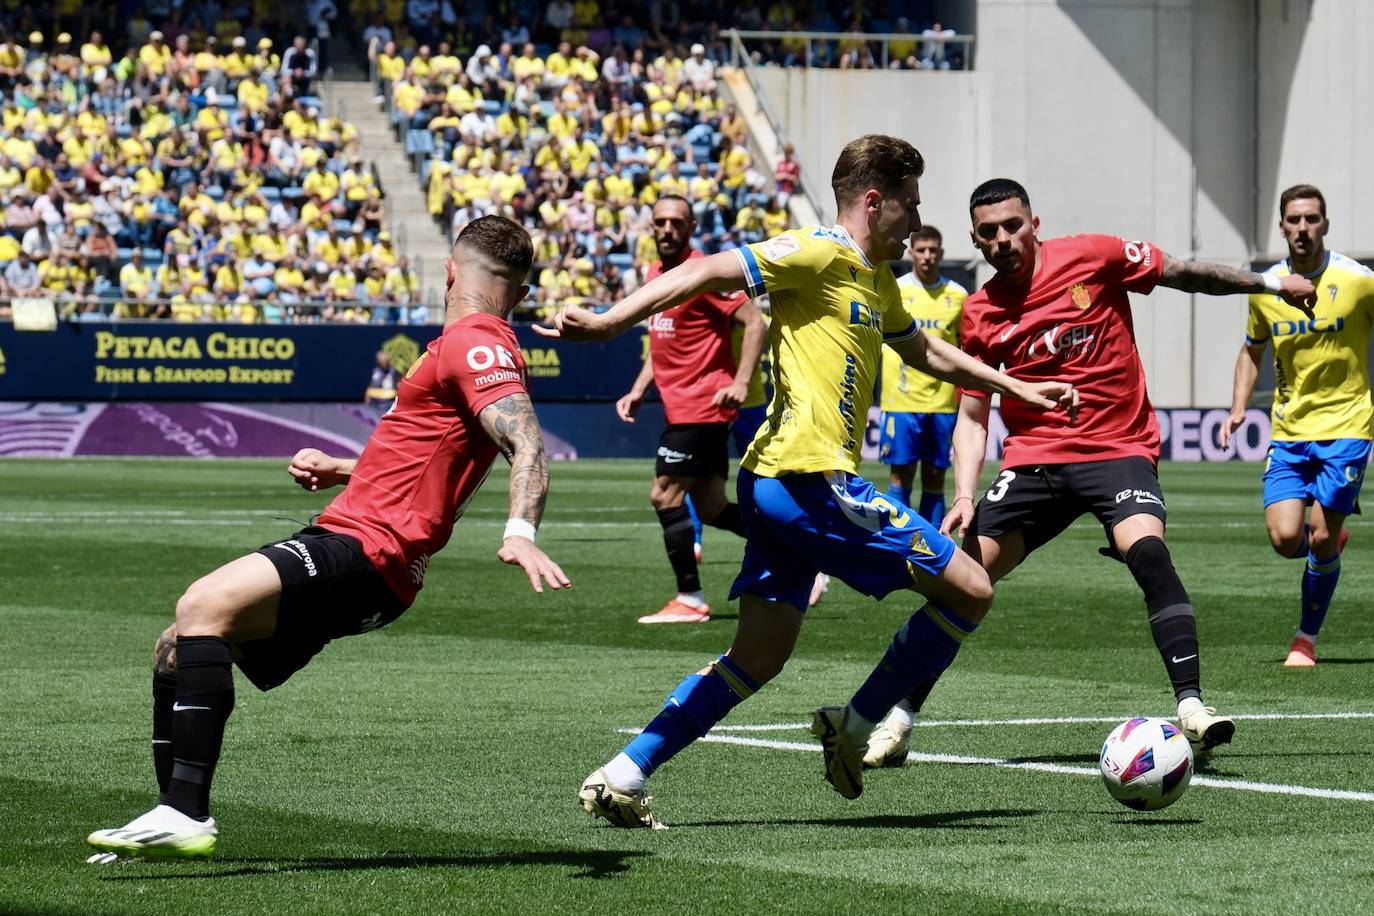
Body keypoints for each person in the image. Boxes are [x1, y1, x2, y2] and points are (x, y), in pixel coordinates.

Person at [537, 136, 1076, 826]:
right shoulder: (817, 252)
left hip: (779, 483)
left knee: (758, 656)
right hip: (806, 479)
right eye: (910, 203)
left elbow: (931, 352)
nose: (916, 220)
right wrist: (611, 321)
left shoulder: (877, 280)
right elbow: (707, 270)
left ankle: (623, 772)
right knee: (971, 589)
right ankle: (855, 726)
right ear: (874, 200)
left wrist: (1017, 387)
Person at [85, 217, 570, 862]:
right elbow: (434, 453)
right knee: (177, 650)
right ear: (523, 292)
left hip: (371, 550)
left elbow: (527, 442)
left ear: (450, 272)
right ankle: (168, 813)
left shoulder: (474, 342)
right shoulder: (468, 344)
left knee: (200, 605)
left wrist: (520, 532)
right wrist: (346, 470)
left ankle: (185, 813)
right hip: (371, 553)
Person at [846, 178, 1318, 778]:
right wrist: (964, 494)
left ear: (1034, 223)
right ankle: (900, 719)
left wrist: (1272, 282)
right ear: (976, 240)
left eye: (1012, 226)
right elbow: (972, 415)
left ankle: (1193, 706)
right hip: (1032, 462)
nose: (1003, 240)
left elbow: (1183, 273)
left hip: (1117, 450)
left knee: (1147, 551)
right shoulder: (982, 313)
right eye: (988, 233)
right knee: (962, 580)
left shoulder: (1094, 256)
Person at [1219, 184, 1373, 668]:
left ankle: (1305, 639)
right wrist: (1237, 407)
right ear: (1282, 226)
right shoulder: (1266, 290)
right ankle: (1325, 543)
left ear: (1324, 224)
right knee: (1286, 539)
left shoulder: (1358, 281)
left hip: (1348, 426)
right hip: (1288, 432)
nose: (1302, 228)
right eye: (1293, 220)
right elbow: (1252, 350)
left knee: (1322, 538)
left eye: (1311, 219)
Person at [613, 194, 767, 624]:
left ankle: (690, 598)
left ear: (691, 227)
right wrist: (639, 389)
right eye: (660, 221)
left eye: (676, 222)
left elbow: (755, 322)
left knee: (664, 494)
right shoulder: (654, 274)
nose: (667, 229)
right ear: (651, 227)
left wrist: (740, 382)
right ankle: (798, 555)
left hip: (702, 407)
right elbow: (662, 343)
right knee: (714, 507)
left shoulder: (705, 273)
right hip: (680, 408)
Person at [880, 226, 967, 523]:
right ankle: (897, 550)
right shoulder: (894, 289)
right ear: (911, 252)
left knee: (934, 477)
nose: (927, 256)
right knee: (900, 477)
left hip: (941, 403)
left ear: (941, 253)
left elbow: (963, 347)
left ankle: (934, 556)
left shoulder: (958, 296)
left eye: (933, 250)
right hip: (900, 401)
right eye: (921, 250)